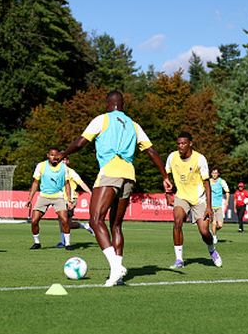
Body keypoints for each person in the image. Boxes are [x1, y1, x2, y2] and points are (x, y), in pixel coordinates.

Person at [62, 90, 172, 287]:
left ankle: (115, 266)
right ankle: (117, 276)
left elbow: (80, 142)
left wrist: (64, 153)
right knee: (116, 225)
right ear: (122, 105)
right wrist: (165, 176)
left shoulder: (102, 120)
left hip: (110, 171)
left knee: (95, 220)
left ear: (108, 104)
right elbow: (151, 151)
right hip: (129, 175)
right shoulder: (134, 125)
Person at [164, 132, 222, 269]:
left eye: (183, 143)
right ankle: (179, 260)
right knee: (177, 221)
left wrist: (209, 206)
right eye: (178, 144)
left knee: (204, 232)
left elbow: (206, 183)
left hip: (199, 199)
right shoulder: (172, 157)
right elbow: (165, 174)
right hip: (181, 197)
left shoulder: (199, 159)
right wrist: (167, 192)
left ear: (190, 143)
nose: (180, 146)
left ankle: (212, 250)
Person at [25, 147, 74, 250]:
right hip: (44, 196)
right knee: (34, 221)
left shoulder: (63, 167)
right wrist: (30, 199)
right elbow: (35, 182)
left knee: (65, 220)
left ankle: (68, 244)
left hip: (58, 197)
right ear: (48, 155)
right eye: (52, 155)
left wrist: (69, 200)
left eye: (56, 155)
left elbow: (67, 184)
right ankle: (37, 242)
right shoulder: (41, 166)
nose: (54, 157)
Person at [56, 157, 94, 248]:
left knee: (67, 223)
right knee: (61, 221)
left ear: (68, 161)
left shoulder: (71, 172)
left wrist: (90, 193)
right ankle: (63, 241)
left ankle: (84, 226)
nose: (63, 161)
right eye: (61, 160)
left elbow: (81, 183)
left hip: (71, 199)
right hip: (59, 199)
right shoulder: (55, 171)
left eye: (65, 159)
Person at [209, 168, 230, 244]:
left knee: (220, 225)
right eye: (213, 173)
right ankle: (214, 236)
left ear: (218, 174)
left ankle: (213, 231)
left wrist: (227, 201)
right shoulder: (208, 181)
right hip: (211, 206)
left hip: (219, 206)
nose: (214, 174)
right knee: (214, 223)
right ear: (211, 174)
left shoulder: (221, 181)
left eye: (216, 173)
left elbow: (227, 191)